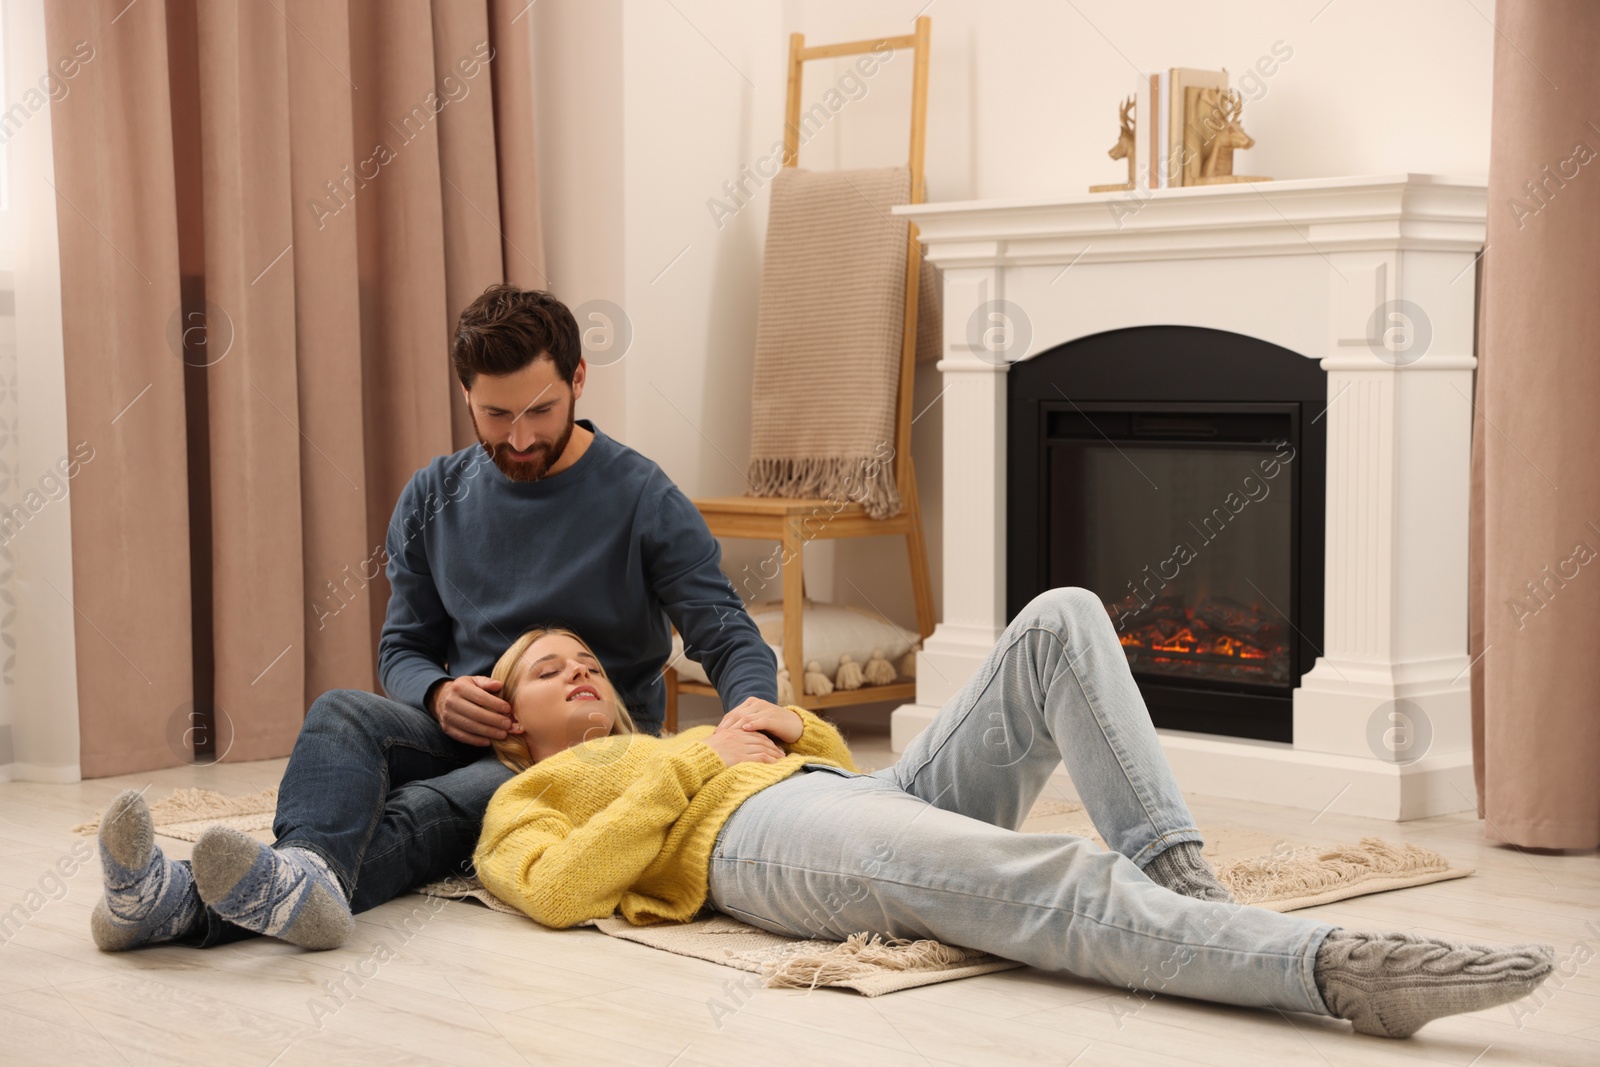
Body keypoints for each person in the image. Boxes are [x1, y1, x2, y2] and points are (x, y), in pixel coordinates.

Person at [470, 587, 1555, 1040]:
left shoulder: (676, 739)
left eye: (582, 662)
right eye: (542, 670)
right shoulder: (525, 793)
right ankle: (1320, 967)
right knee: (1041, 874)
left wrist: (795, 734)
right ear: (509, 721)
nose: (574, 671)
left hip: (841, 798)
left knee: (1059, 618)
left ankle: (1182, 885)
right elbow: (563, 889)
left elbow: (846, 773)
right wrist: (690, 765)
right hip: (757, 850)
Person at [88, 286, 779, 953]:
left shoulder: (642, 497)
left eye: (540, 411)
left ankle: (177, 904)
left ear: (579, 378)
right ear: (466, 396)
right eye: (495, 414)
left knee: (428, 811)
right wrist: (439, 694)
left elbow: (724, 632)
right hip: (469, 723)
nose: (519, 437)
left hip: (583, 750)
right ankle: (301, 873)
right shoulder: (432, 496)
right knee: (342, 710)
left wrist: (752, 719)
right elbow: (403, 649)